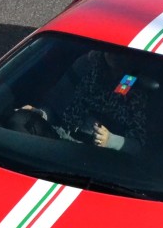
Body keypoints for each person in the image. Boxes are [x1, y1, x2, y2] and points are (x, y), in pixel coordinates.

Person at [18, 50, 154, 152]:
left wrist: (111, 140)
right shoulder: (88, 69)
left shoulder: (136, 89)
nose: (114, 54)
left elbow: (139, 146)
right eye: (110, 49)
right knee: (20, 120)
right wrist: (41, 114)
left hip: (95, 157)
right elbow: (58, 103)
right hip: (61, 138)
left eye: (122, 52)